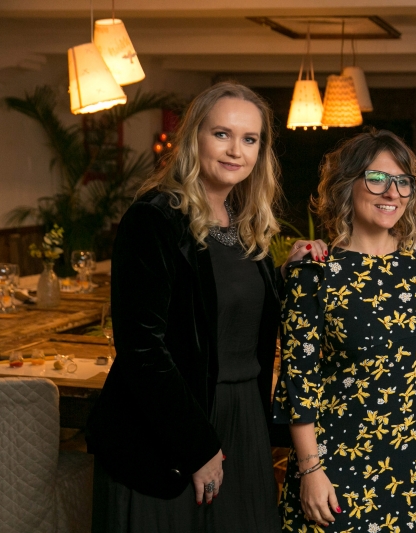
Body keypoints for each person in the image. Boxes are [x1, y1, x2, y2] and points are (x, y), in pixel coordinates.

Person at [85, 81, 320, 533]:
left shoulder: (244, 223)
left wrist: (288, 274)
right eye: (222, 134)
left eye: (249, 139)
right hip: (172, 431)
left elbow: (232, 314)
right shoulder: (154, 218)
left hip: (244, 419)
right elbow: (142, 349)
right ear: (194, 137)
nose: (236, 150)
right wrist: (196, 447)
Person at [273, 130, 416, 532]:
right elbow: (298, 381)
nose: (391, 192)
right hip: (336, 468)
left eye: (402, 181)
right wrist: (310, 470)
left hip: (415, 470)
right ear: (347, 185)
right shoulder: (316, 269)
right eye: (377, 178)